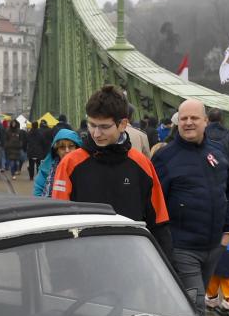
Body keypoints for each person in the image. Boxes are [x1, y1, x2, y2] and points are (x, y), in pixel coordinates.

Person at [49, 85, 172, 258]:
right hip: (83, 261)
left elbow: (159, 220)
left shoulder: (141, 163)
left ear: (122, 124)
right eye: (92, 125)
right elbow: (59, 220)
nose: (96, 133)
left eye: (104, 127)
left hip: (131, 261)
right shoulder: (70, 164)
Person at [152, 100, 229, 314]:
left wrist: (227, 233)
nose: (188, 123)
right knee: (195, 308)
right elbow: (154, 204)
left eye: (194, 118)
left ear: (206, 121)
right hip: (182, 249)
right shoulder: (165, 157)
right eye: (183, 119)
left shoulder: (217, 153)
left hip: (213, 247)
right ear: (177, 122)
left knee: (187, 308)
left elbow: (228, 192)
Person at [33, 127, 80, 198]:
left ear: (77, 148)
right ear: (56, 150)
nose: (67, 150)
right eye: (62, 147)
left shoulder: (84, 167)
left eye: (71, 146)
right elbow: (37, 194)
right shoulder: (46, 169)